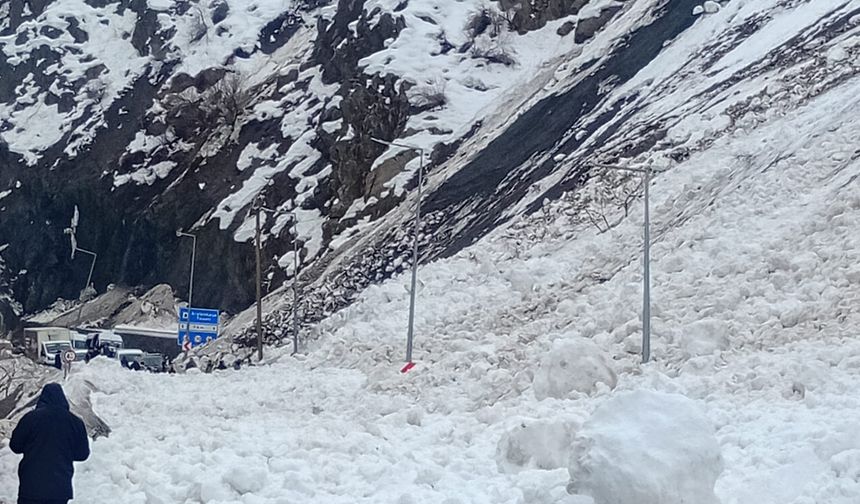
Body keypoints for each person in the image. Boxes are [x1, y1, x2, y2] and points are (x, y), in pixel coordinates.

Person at [9, 383, 90, 504]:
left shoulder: (30, 418)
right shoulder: (75, 422)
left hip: (30, 487)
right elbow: (82, 454)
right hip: (60, 488)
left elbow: (15, 446)